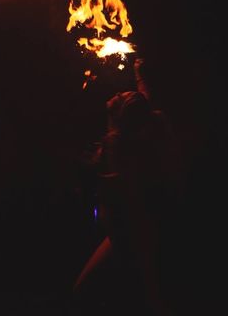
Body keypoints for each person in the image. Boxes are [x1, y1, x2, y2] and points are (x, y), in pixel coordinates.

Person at [73, 58, 180, 315]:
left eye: (122, 97)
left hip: (130, 230)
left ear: (121, 117)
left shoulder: (120, 149)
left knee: (94, 294)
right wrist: (140, 74)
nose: (118, 93)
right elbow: (145, 105)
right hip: (133, 226)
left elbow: (123, 200)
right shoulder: (144, 126)